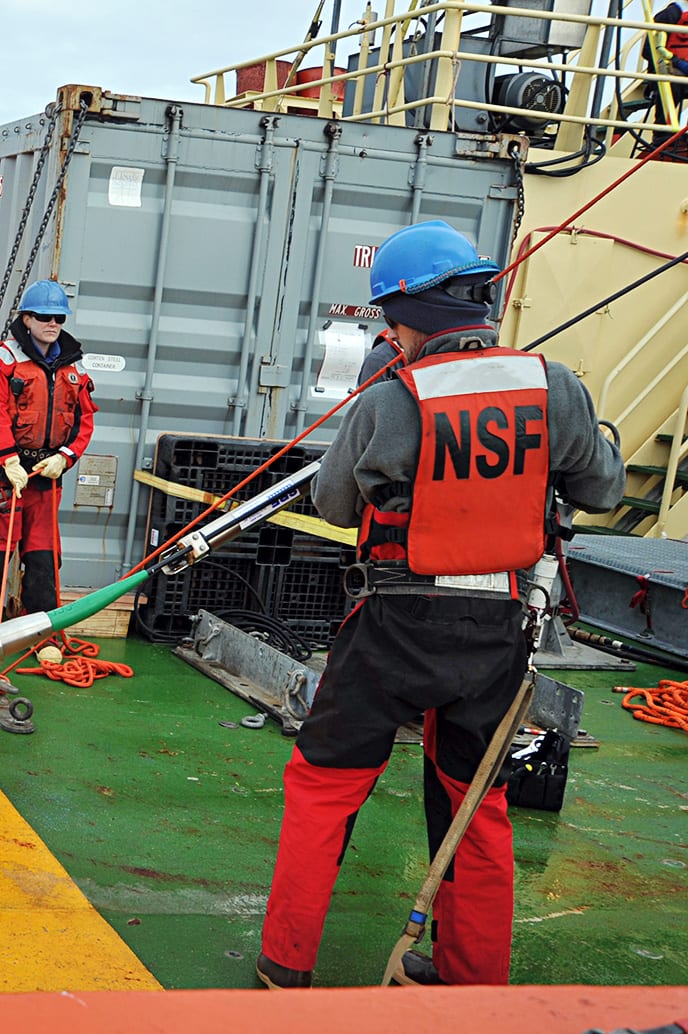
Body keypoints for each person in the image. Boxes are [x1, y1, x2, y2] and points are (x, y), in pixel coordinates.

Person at [256, 221, 623, 988]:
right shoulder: (553, 386)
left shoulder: (391, 396)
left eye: (388, 323)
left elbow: (330, 504)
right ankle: (471, 982)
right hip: (497, 628)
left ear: (405, 319)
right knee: (475, 802)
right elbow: (601, 489)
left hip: (392, 621)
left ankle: (284, 970)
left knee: (325, 787)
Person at [0, 279, 96, 648]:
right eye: (44, 317)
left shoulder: (75, 368)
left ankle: (43, 637)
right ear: (27, 318)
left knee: (44, 559)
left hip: (44, 479)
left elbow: (85, 420)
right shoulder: (1, 361)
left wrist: (66, 457)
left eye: (58, 318)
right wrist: (7, 459)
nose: (52, 324)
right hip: (2, 480)